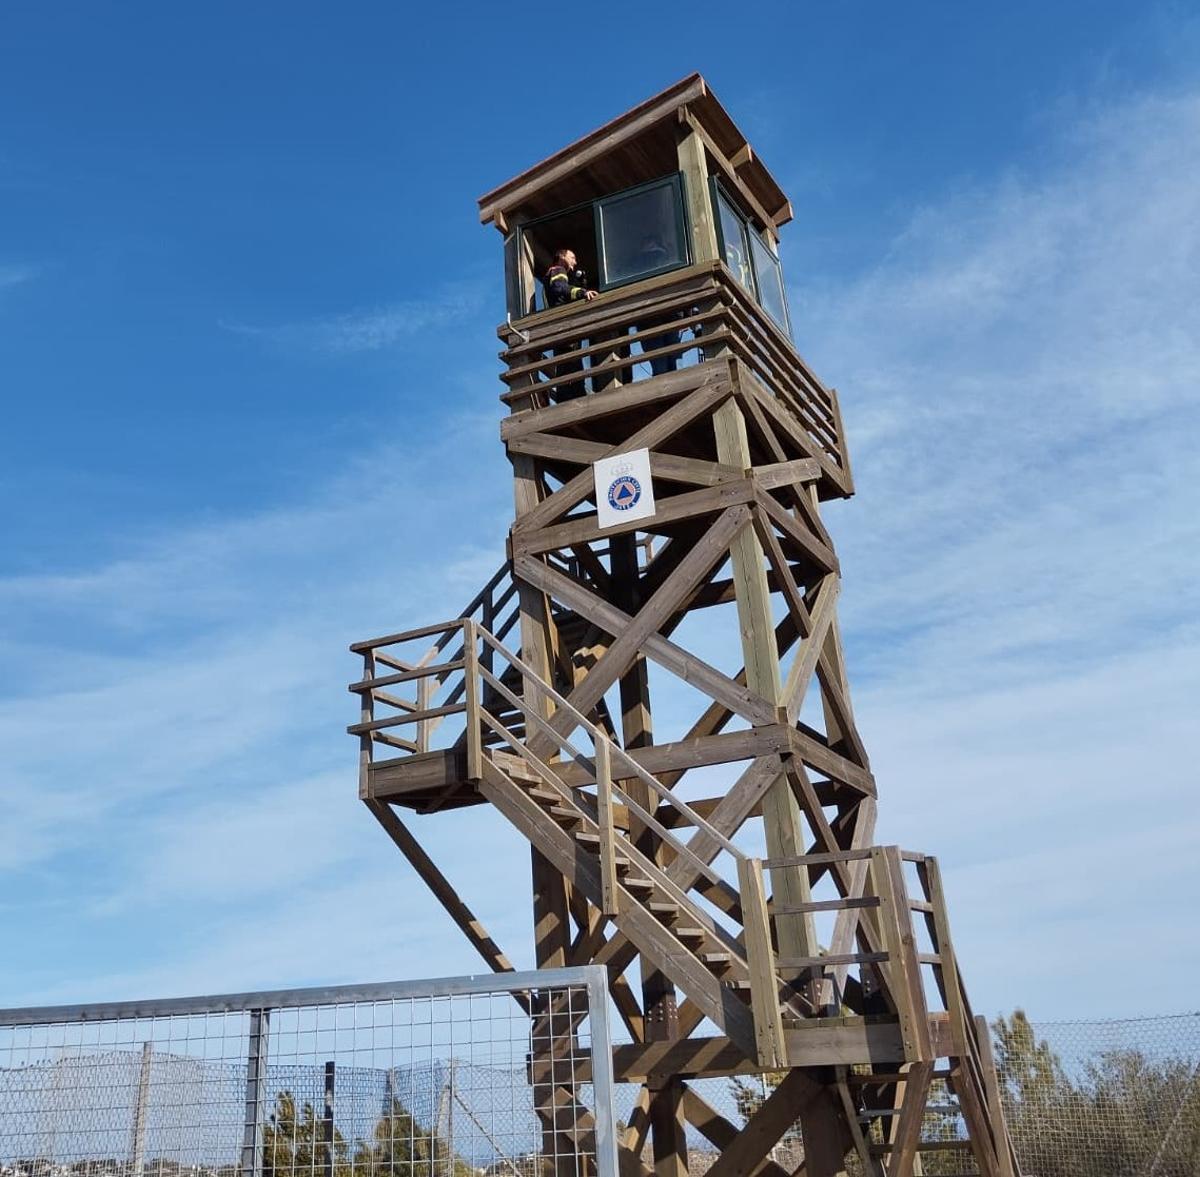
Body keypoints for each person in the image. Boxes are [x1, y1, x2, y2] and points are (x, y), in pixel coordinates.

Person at [541, 249, 597, 401]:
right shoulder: (558, 270)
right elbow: (560, 288)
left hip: (560, 328)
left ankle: (569, 397)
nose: (575, 261)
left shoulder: (554, 273)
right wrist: (582, 292)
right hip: (564, 327)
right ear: (561, 257)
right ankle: (574, 397)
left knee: (567, 366)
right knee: (571, 364)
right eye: (572, 257)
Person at [635, 234, 682, 376]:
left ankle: (665, 387)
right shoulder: (668, 259)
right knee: (672, 359)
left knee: (659, 363)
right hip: (670, 315)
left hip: (650, 319)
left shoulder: (639, 264)